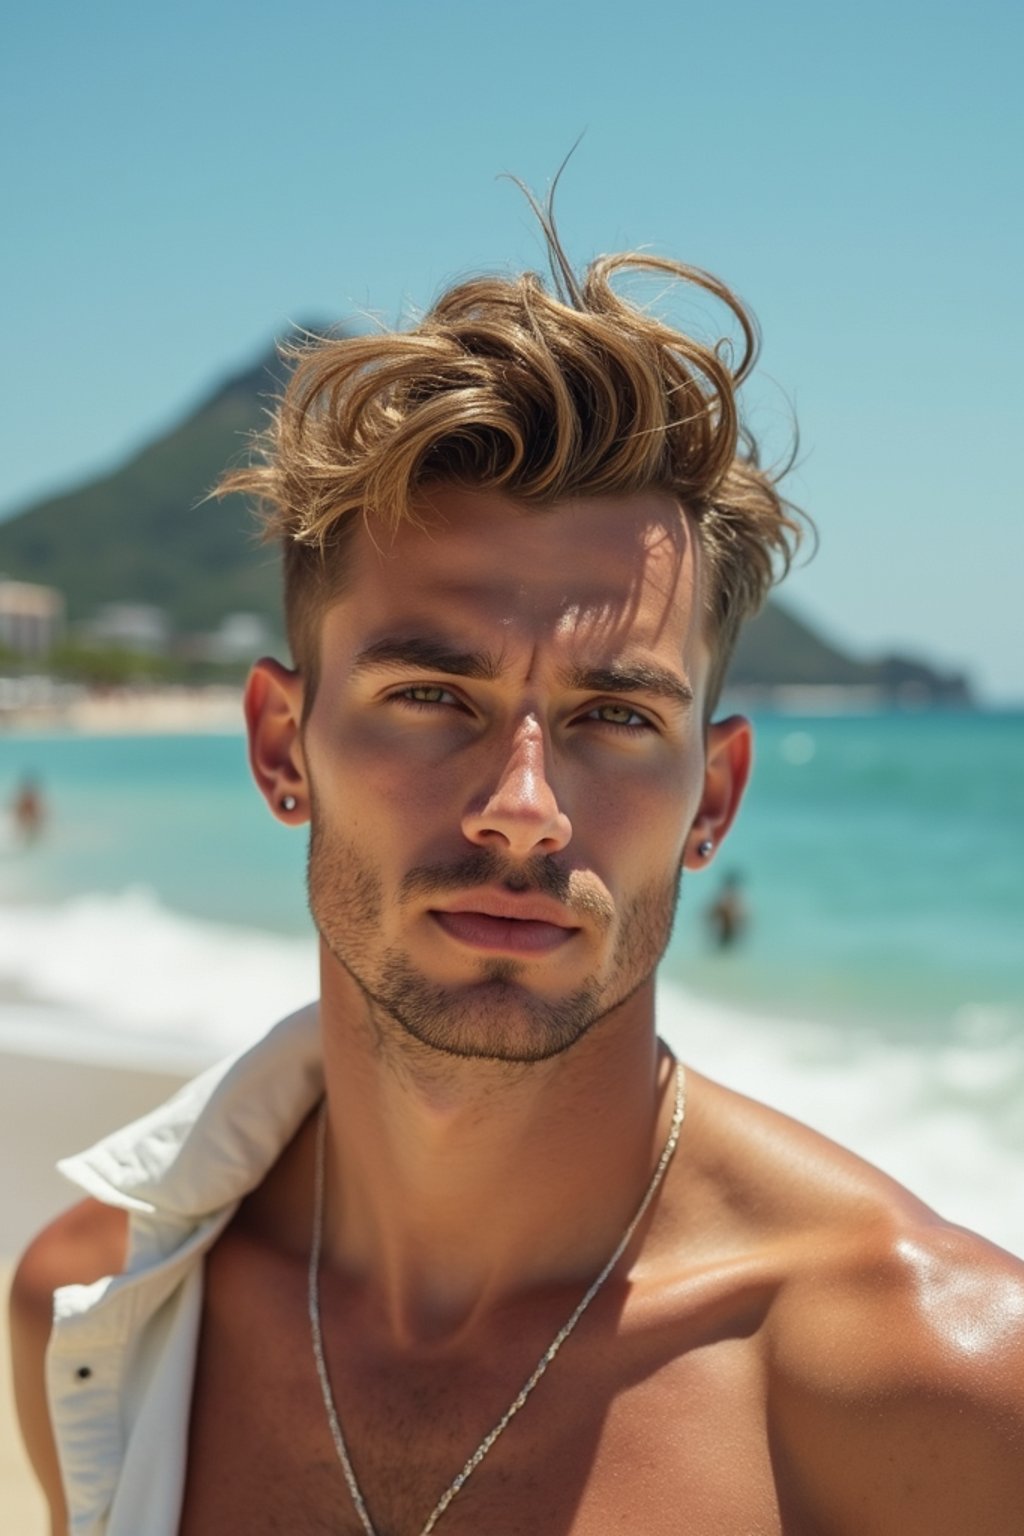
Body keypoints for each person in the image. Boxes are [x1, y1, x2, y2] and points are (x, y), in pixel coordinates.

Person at [9, 217, 1024, 1536]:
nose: (522, 812)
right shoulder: (106, 1321)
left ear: (712, 797)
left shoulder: (932, 1391)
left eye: (614, 717)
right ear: (281, 749)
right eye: (432, 696)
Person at [706, 869, 748, 949]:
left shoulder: (725, 898)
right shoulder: (735, 899)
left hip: (727, 931)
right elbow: (743, 918)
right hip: (727, 931)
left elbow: (712, 913)